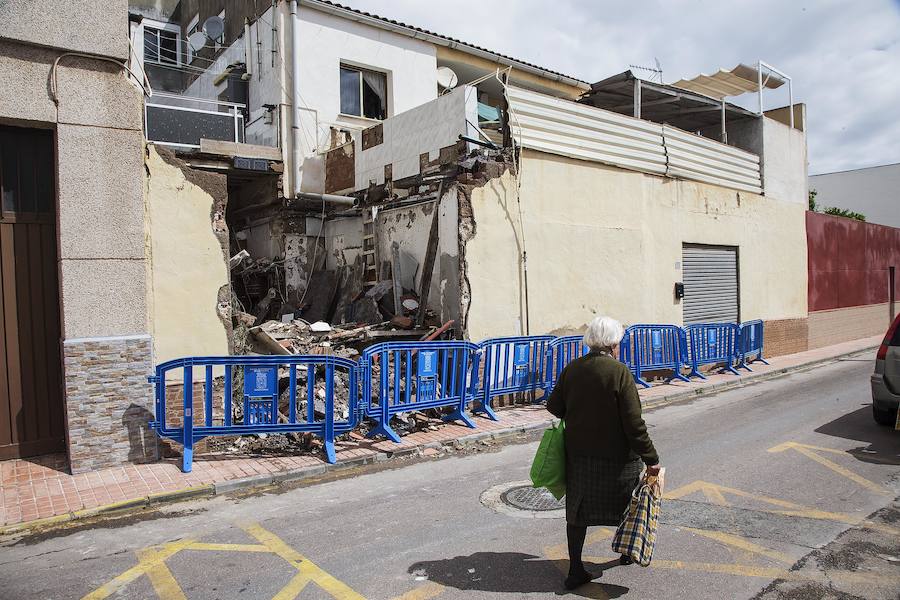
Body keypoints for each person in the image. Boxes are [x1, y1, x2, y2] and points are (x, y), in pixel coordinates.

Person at [547, 315, 661, 590]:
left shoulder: (573, 369)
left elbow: (554, 407)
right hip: (619, 461)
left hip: (580, 458)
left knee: (577, 514)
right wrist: (651, 459)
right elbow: (634, 424)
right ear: (612, 344)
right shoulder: (619, 372)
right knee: (627, 506)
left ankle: (575, 570)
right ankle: (626, 553)